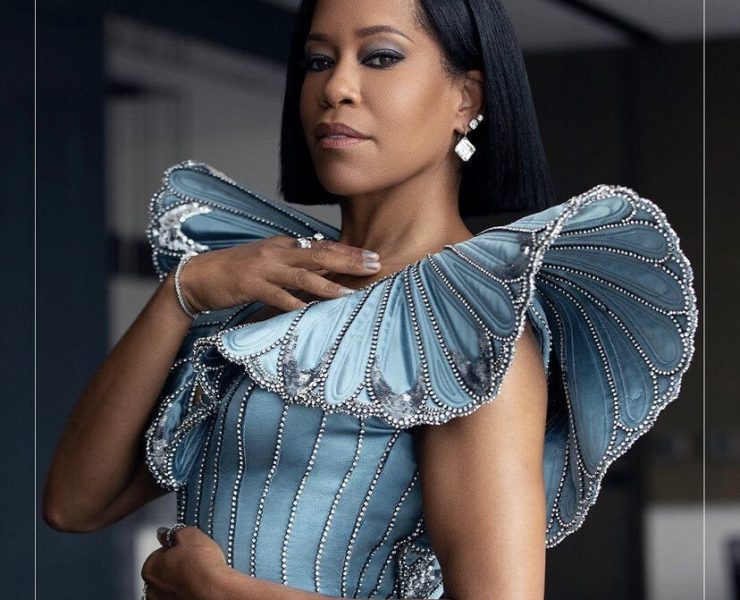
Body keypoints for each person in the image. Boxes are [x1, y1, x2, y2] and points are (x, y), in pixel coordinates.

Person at [43, 0, 698, 599]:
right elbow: (75, 504)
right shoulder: (262, 289)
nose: (336, 87)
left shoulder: (471, 325)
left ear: (466, 98)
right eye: (318, 61)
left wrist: (222, 592)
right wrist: (181, 294)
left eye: (380, 57)